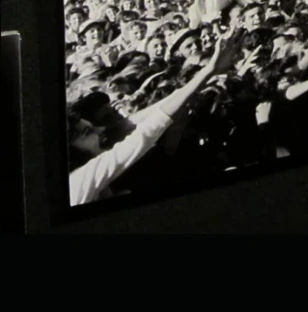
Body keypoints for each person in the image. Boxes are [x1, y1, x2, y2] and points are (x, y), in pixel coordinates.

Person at [67, 32, 242, 206]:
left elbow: (152, 113)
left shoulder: (104, 140)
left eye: (77, 120)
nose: (98, 131)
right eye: (75, 132)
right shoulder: (76, 183)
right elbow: (148, 130)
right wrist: (207, 72)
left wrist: (208, 73)